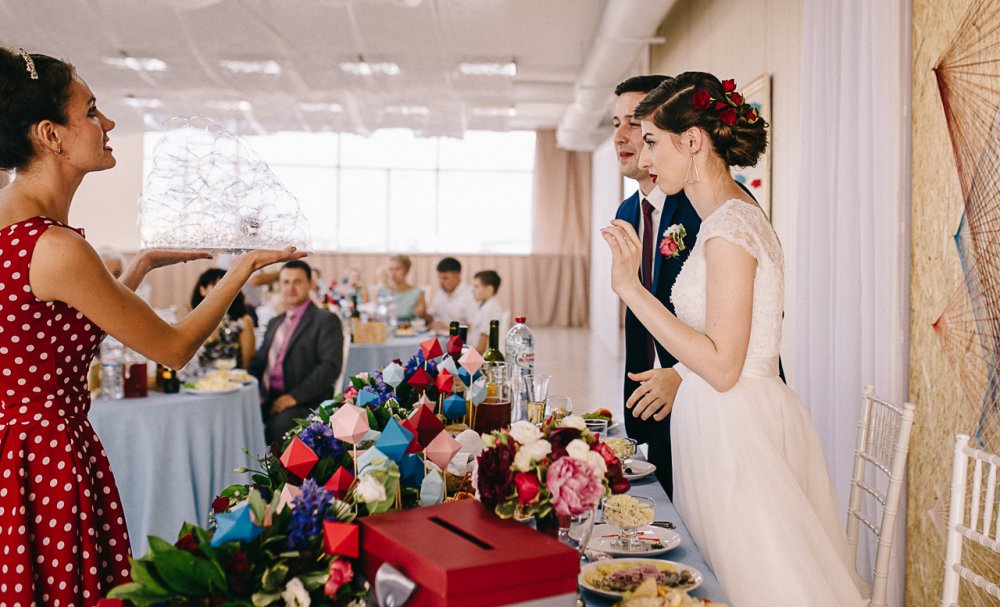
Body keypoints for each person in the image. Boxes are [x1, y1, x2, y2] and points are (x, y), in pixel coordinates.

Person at [0, 47, 303, 606]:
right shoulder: (55, 246)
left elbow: (51, 332)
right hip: (46, 458)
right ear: (50, 134)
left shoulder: (18, 229)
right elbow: (174, 348)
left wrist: (138, 268)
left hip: (14, 452)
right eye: (92, 110)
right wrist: (240, 267)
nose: (109, 123)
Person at [601, 72, 867, 605]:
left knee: (755, 584)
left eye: (651, 141)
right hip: (723, 420)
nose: (645, 158)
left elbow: (723, 366)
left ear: (692, 141)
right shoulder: (724, 219)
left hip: (738, 429)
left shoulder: (729, 229)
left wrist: (631, 289)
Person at [612, 75, 697, 498]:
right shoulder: (627, 211)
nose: (621, 137)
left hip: (702, 396)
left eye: (635, 124)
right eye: (616, 124)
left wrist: (682, 376)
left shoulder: (704, 203)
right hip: (646, 400)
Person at [248, 260, 344, 445]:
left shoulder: (326, 320)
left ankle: (273, 465)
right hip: (267, 397)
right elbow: (259, 361)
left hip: (305, 400)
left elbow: (330, 367)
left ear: (310, 284)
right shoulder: (275, 322)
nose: (291, 288)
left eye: (297, 282)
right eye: (286, 282)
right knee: (234, 416)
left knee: (280, 425)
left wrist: (294, 397)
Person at [190, 268, 256, 368]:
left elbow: (248, 364)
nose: (223, 291)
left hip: (234, 377)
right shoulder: (193, 322)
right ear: (202, 290)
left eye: (227, 287)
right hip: (200, 377)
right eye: (216, 286)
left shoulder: (243, 321)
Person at [425, 257, 477, 330]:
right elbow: (433, 315)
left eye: (445, 278)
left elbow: (473, 326)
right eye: (439, 278)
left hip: (460, 336)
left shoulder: (471, 295)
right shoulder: (440, 292)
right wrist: (423, 314)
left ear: (458, 275)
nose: (441, 282)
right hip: (438, 335)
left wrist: (449, 327)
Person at [468, 270, 503, 353]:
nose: (472, 290)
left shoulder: (490, 310)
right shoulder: (484, 305)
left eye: (476, 287)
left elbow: (481, 348)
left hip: (477, 355)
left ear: (489, 290)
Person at [385, 254, 426, 322]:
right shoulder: (382, 291)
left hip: (409, 327)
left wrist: (421, 312)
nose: (393, 273)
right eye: (390, 269)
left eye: (397, 269)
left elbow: (423, 317)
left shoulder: (417, 292)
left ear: (406, 271)